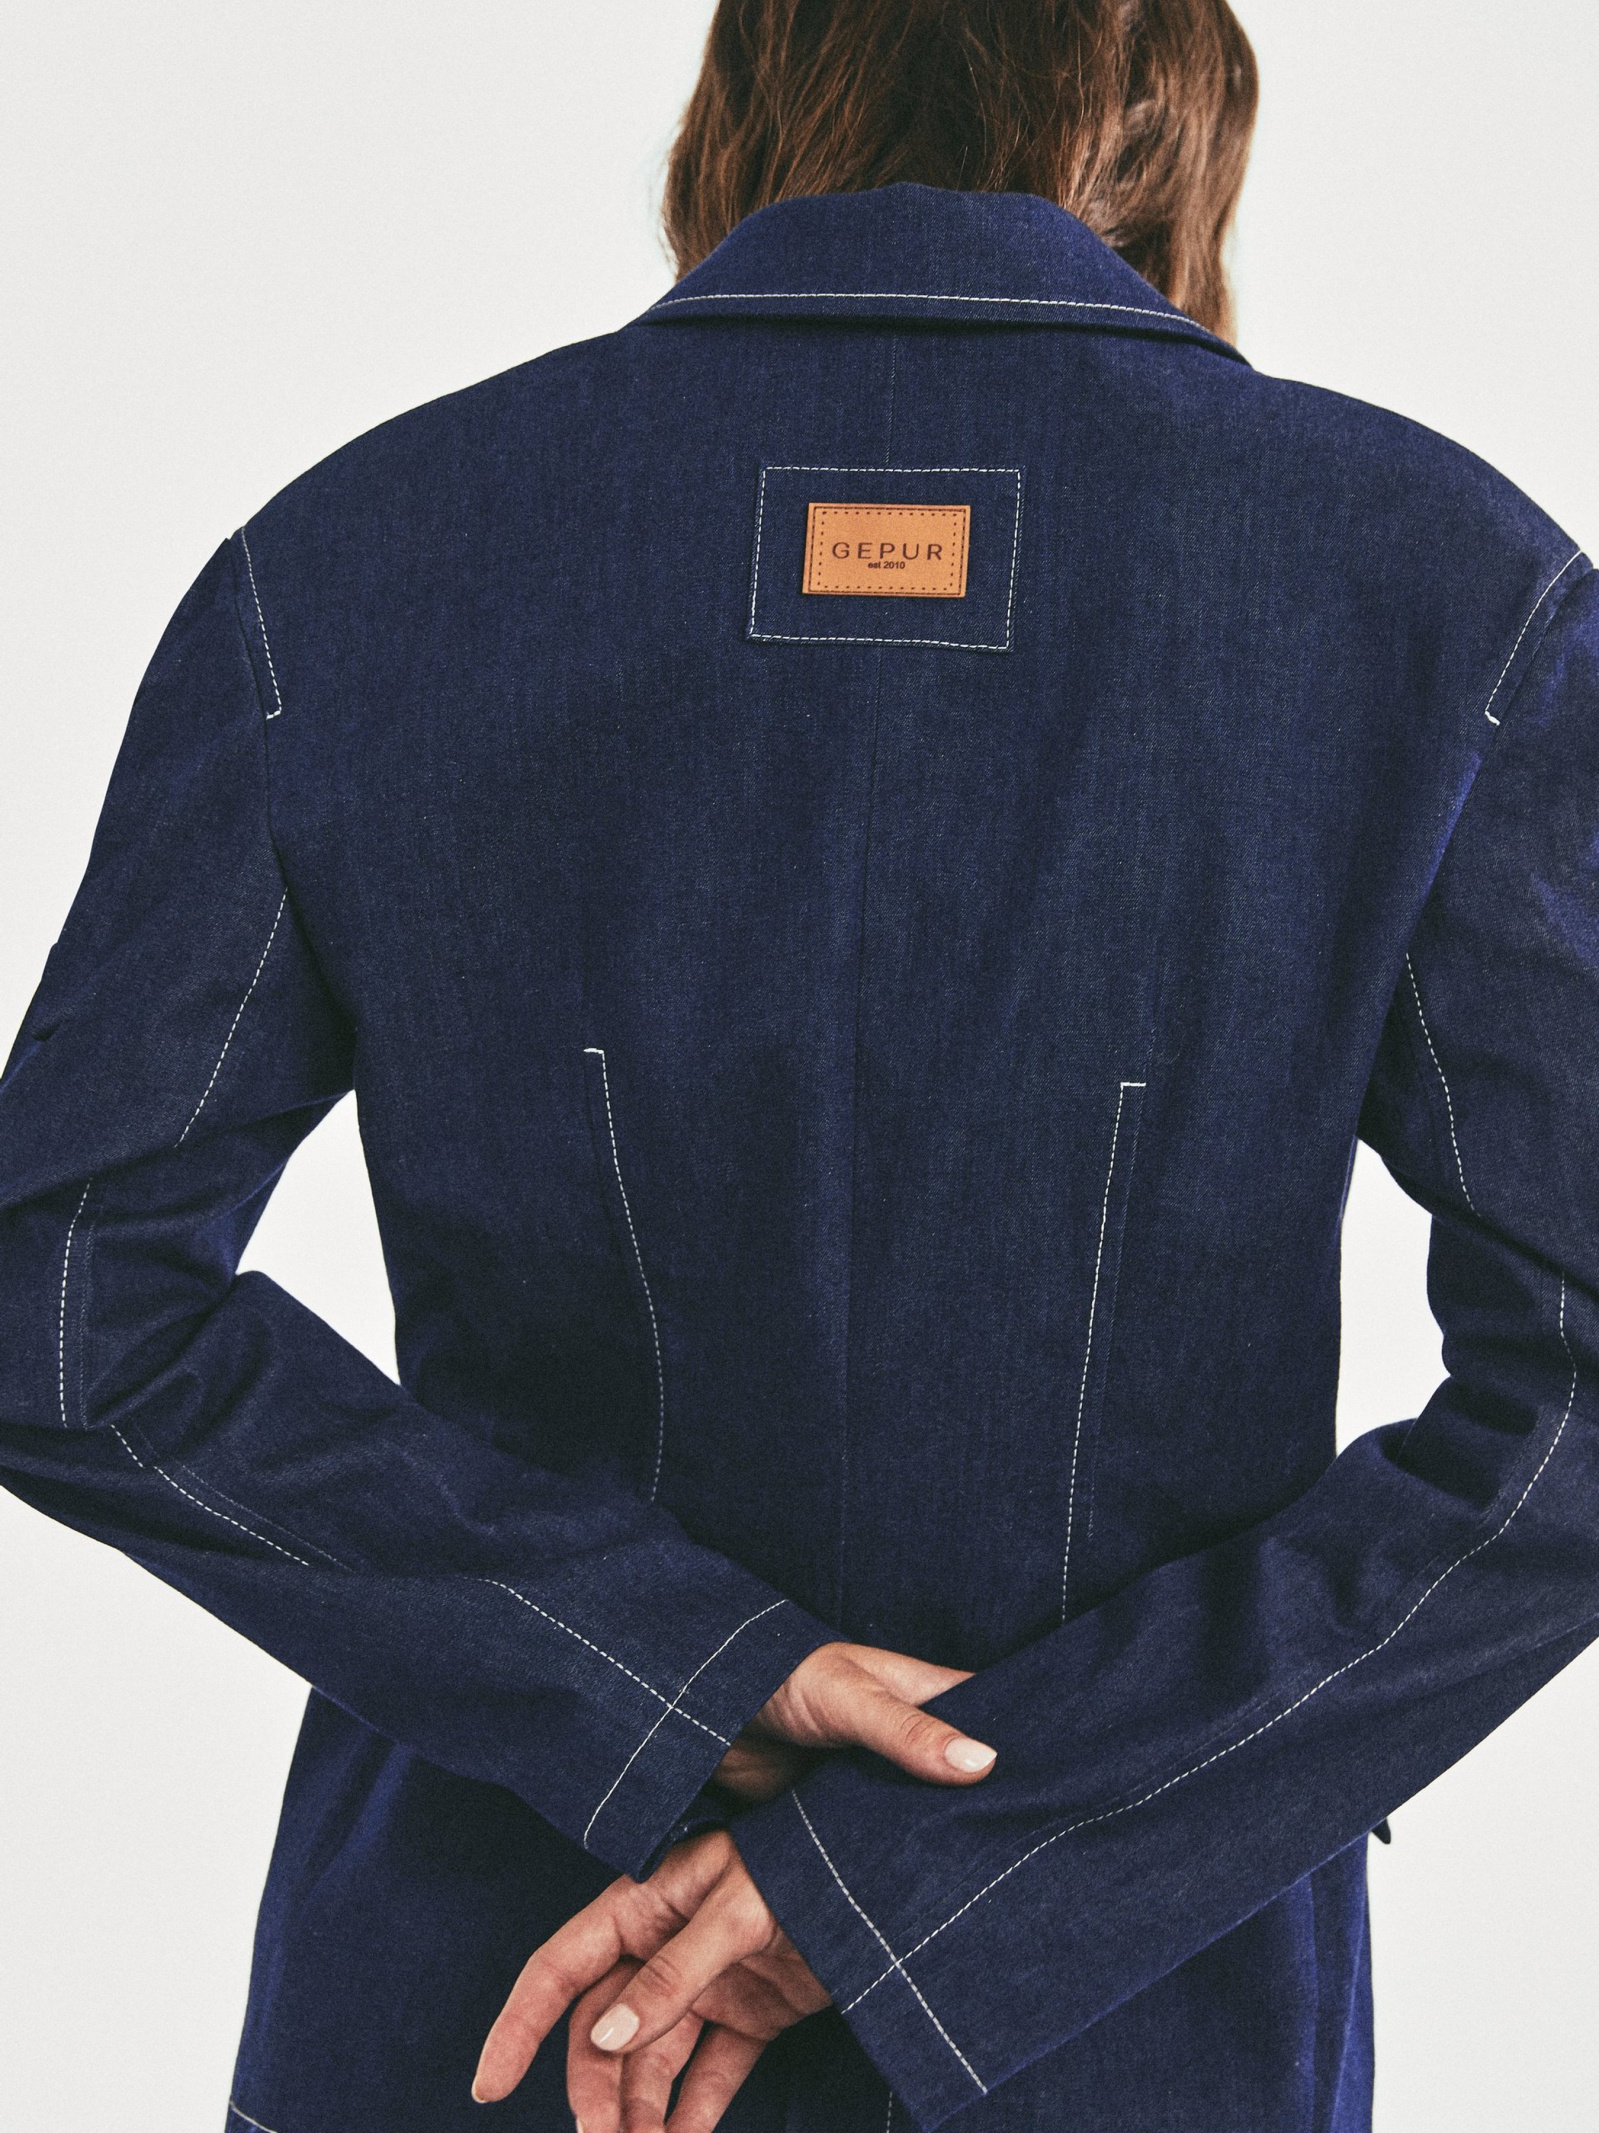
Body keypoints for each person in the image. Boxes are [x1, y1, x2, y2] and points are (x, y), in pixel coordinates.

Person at [2, 0, 1596, 2128]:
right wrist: (950, 1864)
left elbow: (59, 1296)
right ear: (1165, 126)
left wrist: (677, 1675)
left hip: (492, 2004)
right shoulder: (1440, 595)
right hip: (1129, 2038)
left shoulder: (351, 561)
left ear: (747, 100)